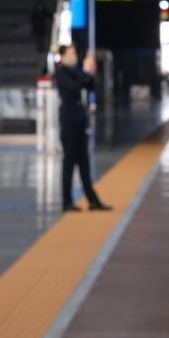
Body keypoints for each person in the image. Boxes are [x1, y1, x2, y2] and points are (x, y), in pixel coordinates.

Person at [55, 44, 111, 213]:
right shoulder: (61, 73)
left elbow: (90, 85)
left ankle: (93, 200)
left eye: (74, 53)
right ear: (63, 56)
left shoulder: (75, 70)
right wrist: (85, 73)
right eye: (70, 53)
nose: (73, 56)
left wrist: (89, 72)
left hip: (80, 120)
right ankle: (66, 201)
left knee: (84, 163)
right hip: (69, 121)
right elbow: (75, 87)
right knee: (69, 163)